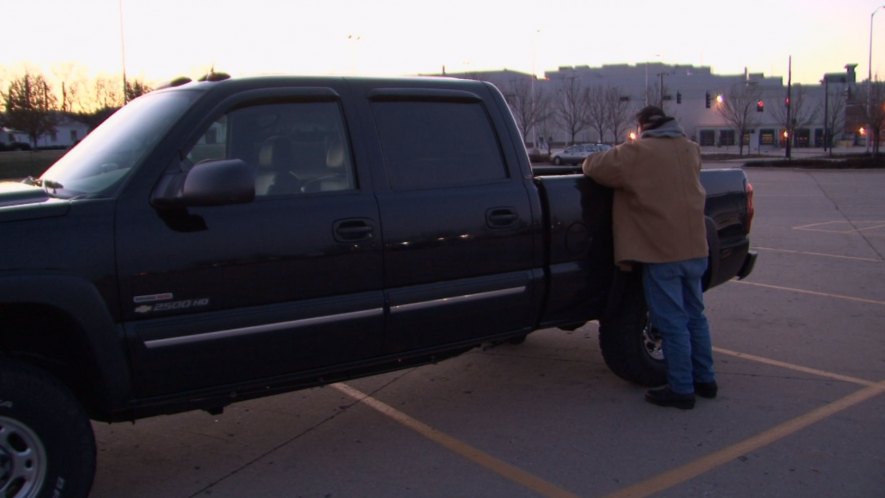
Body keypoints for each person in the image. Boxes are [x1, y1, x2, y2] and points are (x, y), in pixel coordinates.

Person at [582, 106, 717, 410]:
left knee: (671, 323)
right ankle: (705, 379)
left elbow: (593, 166)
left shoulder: (638, 153)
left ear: (643, 126)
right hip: (696, 248)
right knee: (695, 316)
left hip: (662, 252)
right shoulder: (690, 149)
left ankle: (681, 389)